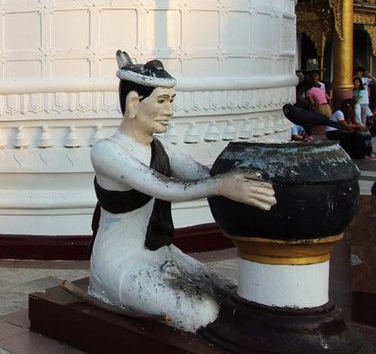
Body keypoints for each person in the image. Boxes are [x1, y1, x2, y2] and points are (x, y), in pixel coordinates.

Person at [88, 52, 276, 333]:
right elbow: (163, 186)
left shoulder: (159, 148)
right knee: (201, 311)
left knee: (226, 293)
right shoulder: (107, 151)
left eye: (171, 102)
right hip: (119, 263)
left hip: (161, 253)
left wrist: (249, 172)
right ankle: (102, 288)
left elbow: (202, 174)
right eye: (161, 101)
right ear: (133, 103)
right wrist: (221, 185)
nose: (170, 110)